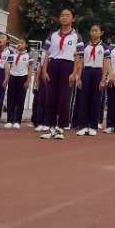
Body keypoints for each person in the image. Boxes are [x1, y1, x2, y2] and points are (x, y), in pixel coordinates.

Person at [39, 9, 80, 142]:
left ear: (73, 19)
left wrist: (74, 73)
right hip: (53, 65)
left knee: (64, 98)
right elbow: (46, 54)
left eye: (67, 15)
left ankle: (60, 128)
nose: (64, 17)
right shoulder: (52, 35)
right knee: (50, 98)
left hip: (68, 66)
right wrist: (44, 71)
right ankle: (50, 127)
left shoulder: (76, 37)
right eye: (62, 15)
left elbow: (78, 56)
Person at [73, 25, 108, 136]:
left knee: (96, 99)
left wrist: (103, 79)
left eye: (96, 31)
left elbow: (106, 63)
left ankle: (93, 126)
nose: (93, 33)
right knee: (83, 99)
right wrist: (78, 77)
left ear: (101, 33)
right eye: (92, 30)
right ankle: (82, 125)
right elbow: (81, 62)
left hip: (98, 72)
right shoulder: (84, 46)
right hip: (86, 72)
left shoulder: (104, 47)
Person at [5, 40, 32, 128]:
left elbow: (30, 69)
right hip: (13, 77)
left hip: (22, 78)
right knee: (10, 99)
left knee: (20, 100)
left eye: (22, 43)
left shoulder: (29, 56)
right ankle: (9, 120)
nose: (19, 44)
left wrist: (28, 81)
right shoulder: (12, 54)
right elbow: (8, 66)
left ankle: (17, 121)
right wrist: (7, 79)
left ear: (26, 45)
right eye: (18, 43)